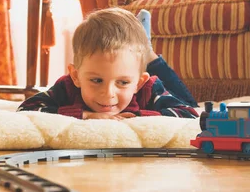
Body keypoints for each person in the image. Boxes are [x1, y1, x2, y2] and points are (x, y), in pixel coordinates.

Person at [17, 7, 199, 120]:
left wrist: (138, 117)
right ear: (76, 76)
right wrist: (86, 115)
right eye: (96, 80)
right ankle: (143, 46)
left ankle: (149, 54)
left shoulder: (149, 88)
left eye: (123, 82)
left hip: (150, 78)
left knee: (191, 102)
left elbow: (190, 113)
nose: (108, 93)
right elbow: (27, 110)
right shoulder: (67, 86)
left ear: (139, 83)